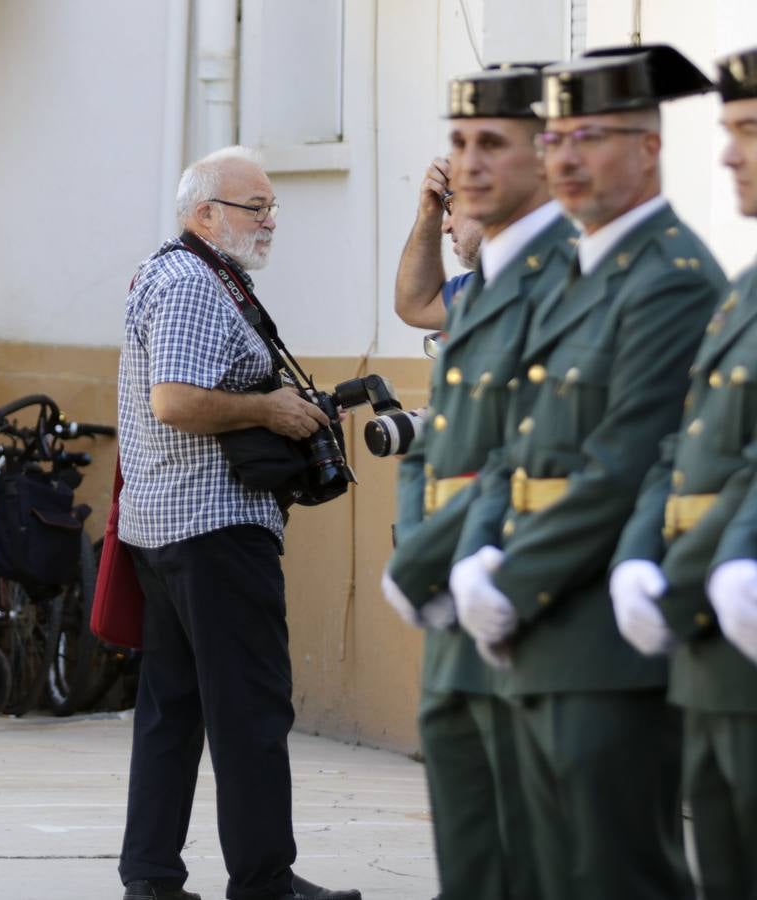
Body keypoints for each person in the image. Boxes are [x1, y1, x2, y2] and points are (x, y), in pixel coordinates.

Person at [448, 46, 727, 899]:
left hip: (602, 628)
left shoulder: (672, 279)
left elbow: (626, 458)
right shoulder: (574, 272)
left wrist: (511, 576)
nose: (564, 157)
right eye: (557, 137)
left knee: (613, 873)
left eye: (591, 137)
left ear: (648, 148)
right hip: (536, 619)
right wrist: (477, 554)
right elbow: (515, 441)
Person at [114, 145, 359, 900]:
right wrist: (272, 408)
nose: (271, 221)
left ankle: (152, 878)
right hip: (211, 525)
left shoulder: (181, 274)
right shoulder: (192, 284)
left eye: (272, 207)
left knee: (173, 711)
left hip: (169, 527)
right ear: (204, 214)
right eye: (257, 208)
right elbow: (175, 400)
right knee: (251, 706)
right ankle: (264, 881)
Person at [381, 65, 568, 900]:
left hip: (515, 574)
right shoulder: (476, 289)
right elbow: (413, 302)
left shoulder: (555, 280)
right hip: (454, 569)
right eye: (458, 150)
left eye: (488, 145)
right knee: (474, 831)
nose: (466, 172)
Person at [608, 45, 757, 900]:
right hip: (710, 645)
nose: (728, 153)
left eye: (748, 130)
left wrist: (716, 562)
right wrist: (641, 557)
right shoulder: (742, 292)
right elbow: (683, 445)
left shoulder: (699, 277)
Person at [395, 155, 485, 330]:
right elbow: (416, 307)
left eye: (450, 204)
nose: (445, 227)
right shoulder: (493, 282)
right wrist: (428, 213)